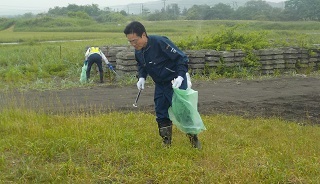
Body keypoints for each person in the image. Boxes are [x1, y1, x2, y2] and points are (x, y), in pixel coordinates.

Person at [123, 21, 201, 149]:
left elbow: (181, 58)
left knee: (181, 111)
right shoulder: (138, 51)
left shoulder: (160, 42)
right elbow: (142, 65)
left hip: (175, 81)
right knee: (160, 111)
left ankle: (194, 140)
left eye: (135, 40)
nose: (133, 44)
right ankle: (166, 142)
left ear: (143, 35)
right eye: (130, 41)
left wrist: (181, 76)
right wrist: (141, 77)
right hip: (160, 84)